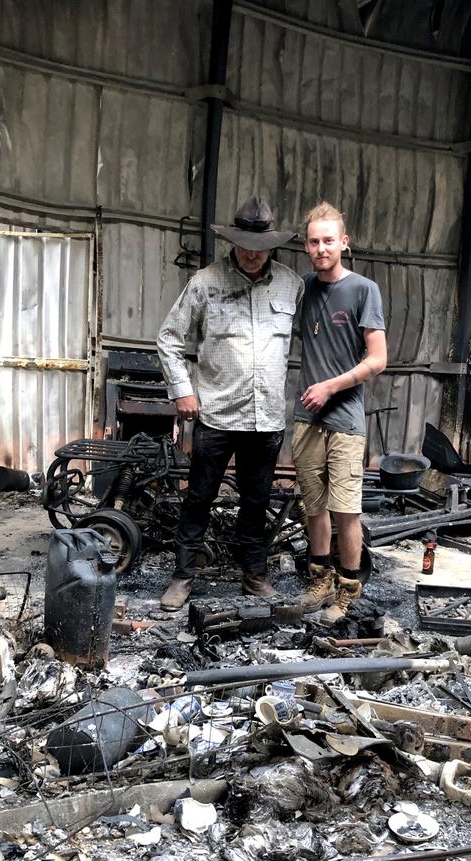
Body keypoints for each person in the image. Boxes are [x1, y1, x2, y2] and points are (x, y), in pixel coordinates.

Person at [157, 195, 303, 610]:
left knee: (257, 501)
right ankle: (183, 577)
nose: (253, 255)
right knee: (199, 496)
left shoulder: (292, 285)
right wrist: (182, 390)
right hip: (217, 415)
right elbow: (169, 338)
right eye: (244, 246)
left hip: (267, 419)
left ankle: (254, 576)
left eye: (260, 247)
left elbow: (314, 337)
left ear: (272, 245)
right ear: (232, 241)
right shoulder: (206, 282)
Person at [292, 202, 387, 623]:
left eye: (329, 240)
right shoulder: (304, 290)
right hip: (306, 421)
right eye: (314, 241)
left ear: (344, 242)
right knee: (313, 507)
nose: (321, 248)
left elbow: (377, 359)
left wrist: (331, 386)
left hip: (345, 422)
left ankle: (348, 590)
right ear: (306, 245)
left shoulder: (364, 290)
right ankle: (319, 580)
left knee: (346, 511)